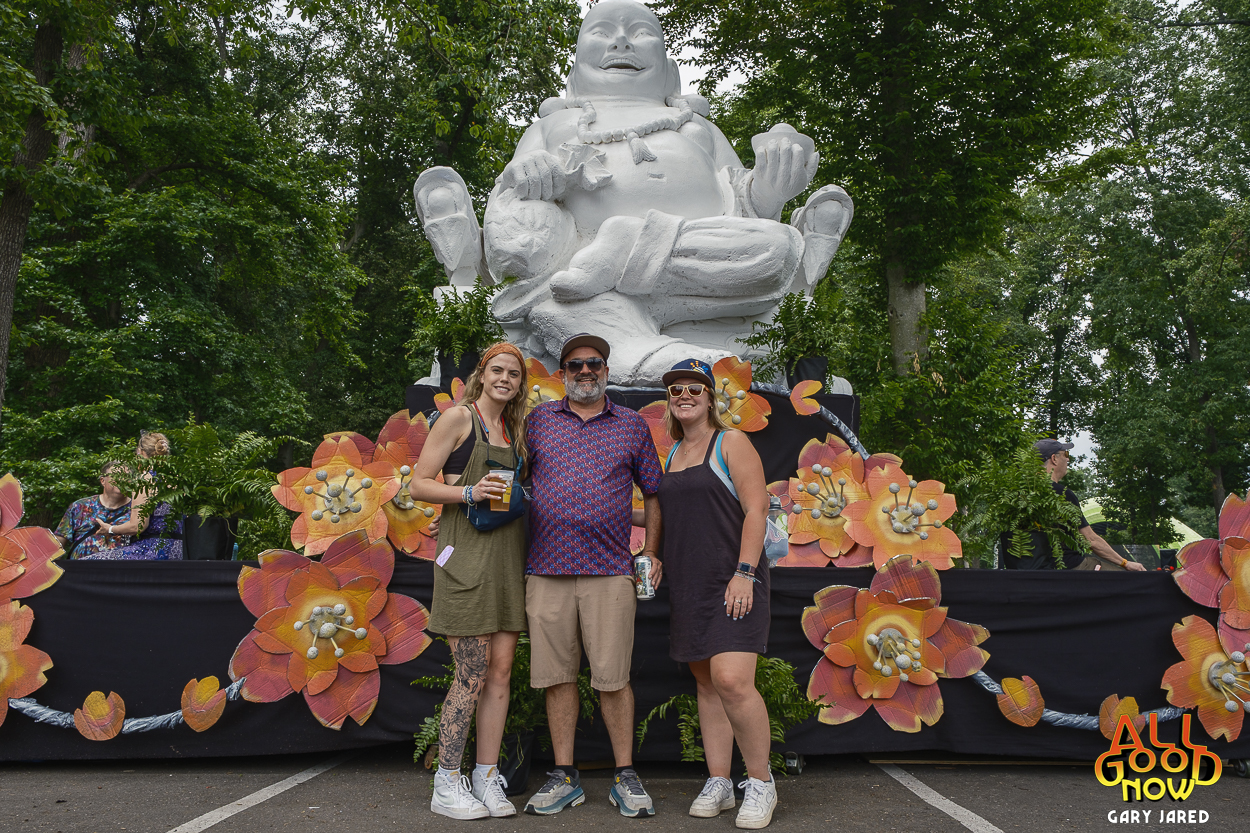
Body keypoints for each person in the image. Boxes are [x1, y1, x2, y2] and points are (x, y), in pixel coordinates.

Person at [521, 333, 663, 818]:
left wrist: (651, 552)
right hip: (546, 569)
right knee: (557, 678)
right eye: (576, 364)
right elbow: (511, 482)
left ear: (606, 371)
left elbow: (653, 492)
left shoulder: (632, 425)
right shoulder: (537, 421)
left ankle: (626, 775)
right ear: (562, 373)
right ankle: (564, 777)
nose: (586, 371)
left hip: (610, 571)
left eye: (595, 363)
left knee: (613, 678)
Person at [410, 342, 530, 820]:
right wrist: (468, 492)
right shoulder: (460, 418)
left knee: (501, 672)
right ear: (482, 374)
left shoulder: (515, 429)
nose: (505, 379)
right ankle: (447, 782)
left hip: (506, 560)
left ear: (520, 384)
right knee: (471, 673)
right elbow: (418, 483)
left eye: (514, 374)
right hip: (464, 561)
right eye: (497, 370)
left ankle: (485, 775)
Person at [656, 359, 778, 829]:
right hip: (689, 584)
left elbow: (756, 509)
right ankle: (720, 781)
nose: (684, 396)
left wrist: (745, 572)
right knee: (706, 683)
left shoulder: (731, 442)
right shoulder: (673, 453)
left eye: (694, 388)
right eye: (676, 390)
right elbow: (668, 516)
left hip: (734, 581)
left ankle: (761, 782)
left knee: (732, 681)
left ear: (710, 398)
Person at [1003, 439, 1147, 571]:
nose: (1068, 459)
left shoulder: (1017, 495)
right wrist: (1125, 563)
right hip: (1068, 567)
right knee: (1125, 579)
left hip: (1027, 570)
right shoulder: (1061, 494)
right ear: (1054, 459)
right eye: (1065, 454)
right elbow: (1090, 540)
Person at [82, 431, 183, 561]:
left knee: (86, 564)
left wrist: (110, 529)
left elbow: (137, 526)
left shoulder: (145, 480)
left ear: (140, 453)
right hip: (179, 550)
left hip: (153, 550)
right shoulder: (177, 480)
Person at [53, 462, 133, 558]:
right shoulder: (80, 507)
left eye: (126, 477)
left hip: (121, 567)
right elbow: (58, 543)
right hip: (79, 567)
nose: (122, 480)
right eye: (116, 476)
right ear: (103, 481)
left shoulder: (137, 511)